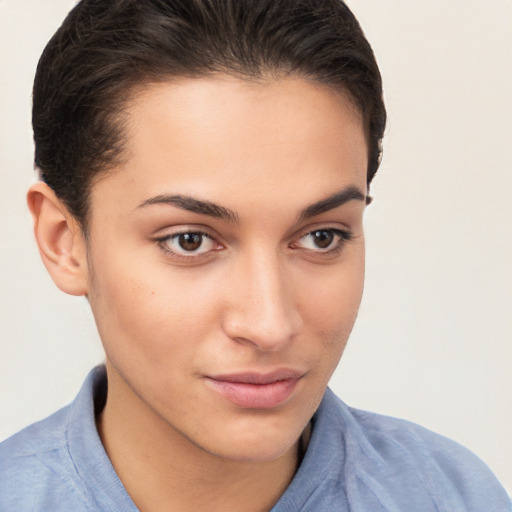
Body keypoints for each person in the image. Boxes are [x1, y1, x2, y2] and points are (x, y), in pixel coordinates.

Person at [0, 0, 509, 510]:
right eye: (190, 240)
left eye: (321, 237)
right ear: (63, 241)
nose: (269, 325)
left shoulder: (454, 496)